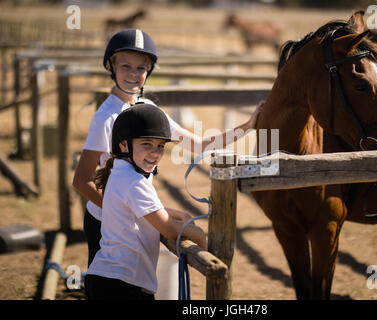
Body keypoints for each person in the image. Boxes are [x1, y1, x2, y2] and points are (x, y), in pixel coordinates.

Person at [72, 28, 263, 267]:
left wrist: (247, 126)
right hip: (106, 220)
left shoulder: (148, 108)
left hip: (136, 211)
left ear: (148, 71)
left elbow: (199, 144)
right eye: (125, 66)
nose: (134, 74)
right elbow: (81, 181)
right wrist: (121, 210)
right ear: (110, 68)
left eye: (141, 67)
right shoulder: (105, 118)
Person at [84, 103, 207, 300]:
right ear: (124, 145)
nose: (155, 153)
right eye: (146, 144)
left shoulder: (120, 171)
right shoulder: (133, 181)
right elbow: (168, 229)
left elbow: (143, 210)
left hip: (113, 280)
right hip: (122, 286)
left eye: (160, 146)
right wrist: (200, 236)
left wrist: (181, 215)